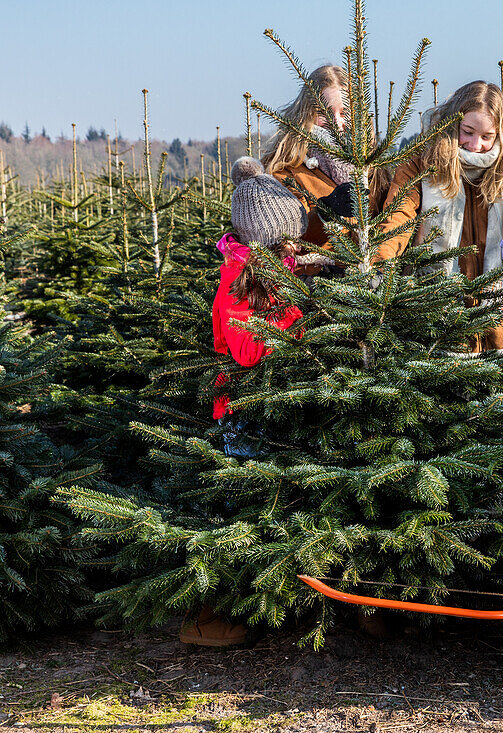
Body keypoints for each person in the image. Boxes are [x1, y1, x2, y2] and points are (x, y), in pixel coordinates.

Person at [182, 156, 307, 647]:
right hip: (241, 410)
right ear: (265, 240)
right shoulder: (236, 280)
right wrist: (299, 309)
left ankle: (264, 607)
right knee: (242, 512)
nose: (293, 247)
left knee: (269, 504)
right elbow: (248, 349)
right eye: (285, 241)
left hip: (268, 406)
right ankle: (209, 618)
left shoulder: (270, 267)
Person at [376, 80, 503, 356]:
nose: (475, 145)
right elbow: (397, 221)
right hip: (438, 329)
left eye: (487, 136)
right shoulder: (420, 165)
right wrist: (379, 268)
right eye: (467, 132)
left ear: (500, 134)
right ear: (452, 123)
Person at [262, 65, 389, 258]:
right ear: (307, 114)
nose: (337, 123)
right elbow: (286, 242)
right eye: (325, 113)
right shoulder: (286, 172)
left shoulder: (374, 168)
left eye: (344, 112)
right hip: (313, 282)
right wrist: (325, 211)